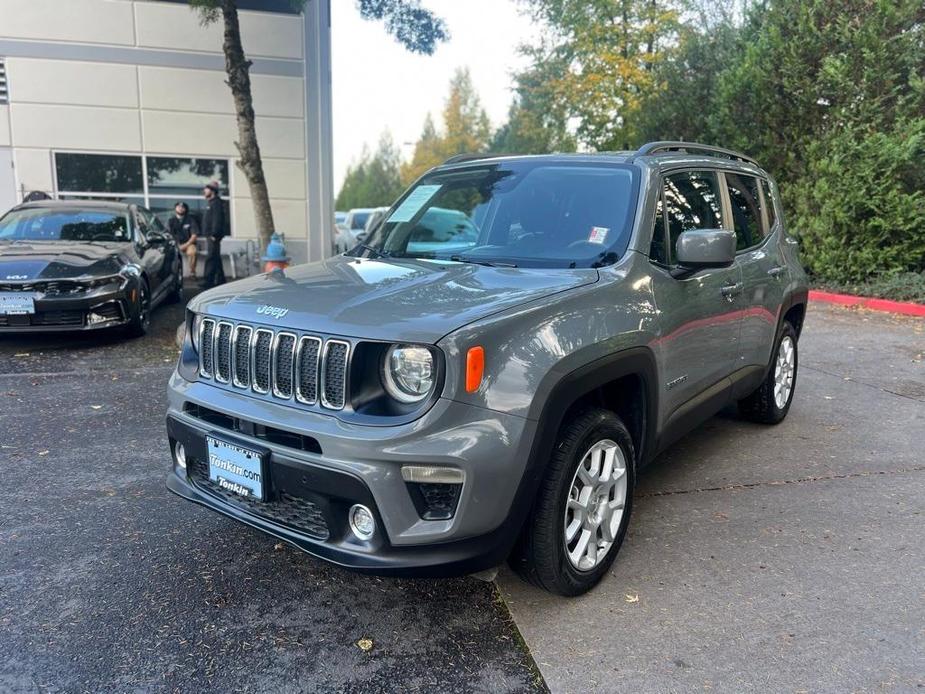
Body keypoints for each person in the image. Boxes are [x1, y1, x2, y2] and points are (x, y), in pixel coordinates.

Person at [200, 180, 227, 288]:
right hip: (211, 235)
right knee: (215, 257)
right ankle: (221, 279)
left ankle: (208, 281)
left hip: (213, 235)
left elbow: (217, 219)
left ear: (212, 191)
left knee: (211, 257)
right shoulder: (212, 202)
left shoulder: (216, 203)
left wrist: (214, 234)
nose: (204, 191)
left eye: (206, 189)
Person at [166, 202, 199, 279]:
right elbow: (168, 235)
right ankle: (171, 275)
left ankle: (192, 273)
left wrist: (186, 245)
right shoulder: (171, 221)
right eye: (178, 207)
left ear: (185, 209)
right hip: (175, 244)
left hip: (188, 243)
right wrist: (176, 245)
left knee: (192, 251)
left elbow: (194, 235)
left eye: (182, 207)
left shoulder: (190, 220)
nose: (180, 208)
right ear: (175, 209)